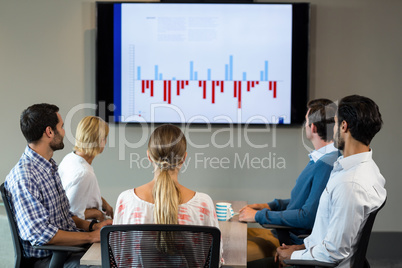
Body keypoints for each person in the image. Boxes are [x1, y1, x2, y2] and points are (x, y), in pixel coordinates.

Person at [276, 95, 387, 266]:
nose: (332, 130)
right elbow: (327, 234)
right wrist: (299, 248)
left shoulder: (350, 184)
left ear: (344, 126)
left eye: (334, 123)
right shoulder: (365, 169)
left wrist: (292, 257)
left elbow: (333, 253)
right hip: (316, 254)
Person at [4, 104, 112, 267]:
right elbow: (43, 234)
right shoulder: (25, 176)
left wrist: (93, 226)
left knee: (119, 254)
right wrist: (91, 237)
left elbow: (64, 217)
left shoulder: (49, 167)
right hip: (51, 259)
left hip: (67, 251)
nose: (64, 132)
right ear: (49, 132)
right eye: (61, 127)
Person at [239, 99, 340, 262]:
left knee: (231, 250)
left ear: (312, 127)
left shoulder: (326, 165)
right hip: (286, 232)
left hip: (292, 241)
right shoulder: (323, 159)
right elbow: (307, 202)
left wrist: (259, 216)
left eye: (306, 121)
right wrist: (270, 206)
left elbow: (308, 217)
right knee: (235, 236)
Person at [113, 124, 223, 266]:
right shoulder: (203, 204)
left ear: (149, 156)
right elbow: (215, 259)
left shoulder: (126, 201)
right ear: (184, 158)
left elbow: (117, 256)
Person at [59, 116, 113, 222]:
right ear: (100, 141)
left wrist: (102, 202)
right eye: (105, 138)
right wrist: (98, 214)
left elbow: (77, 193)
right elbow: (70, 215)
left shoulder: (70, 158)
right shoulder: (84, 173)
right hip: (83, 233)